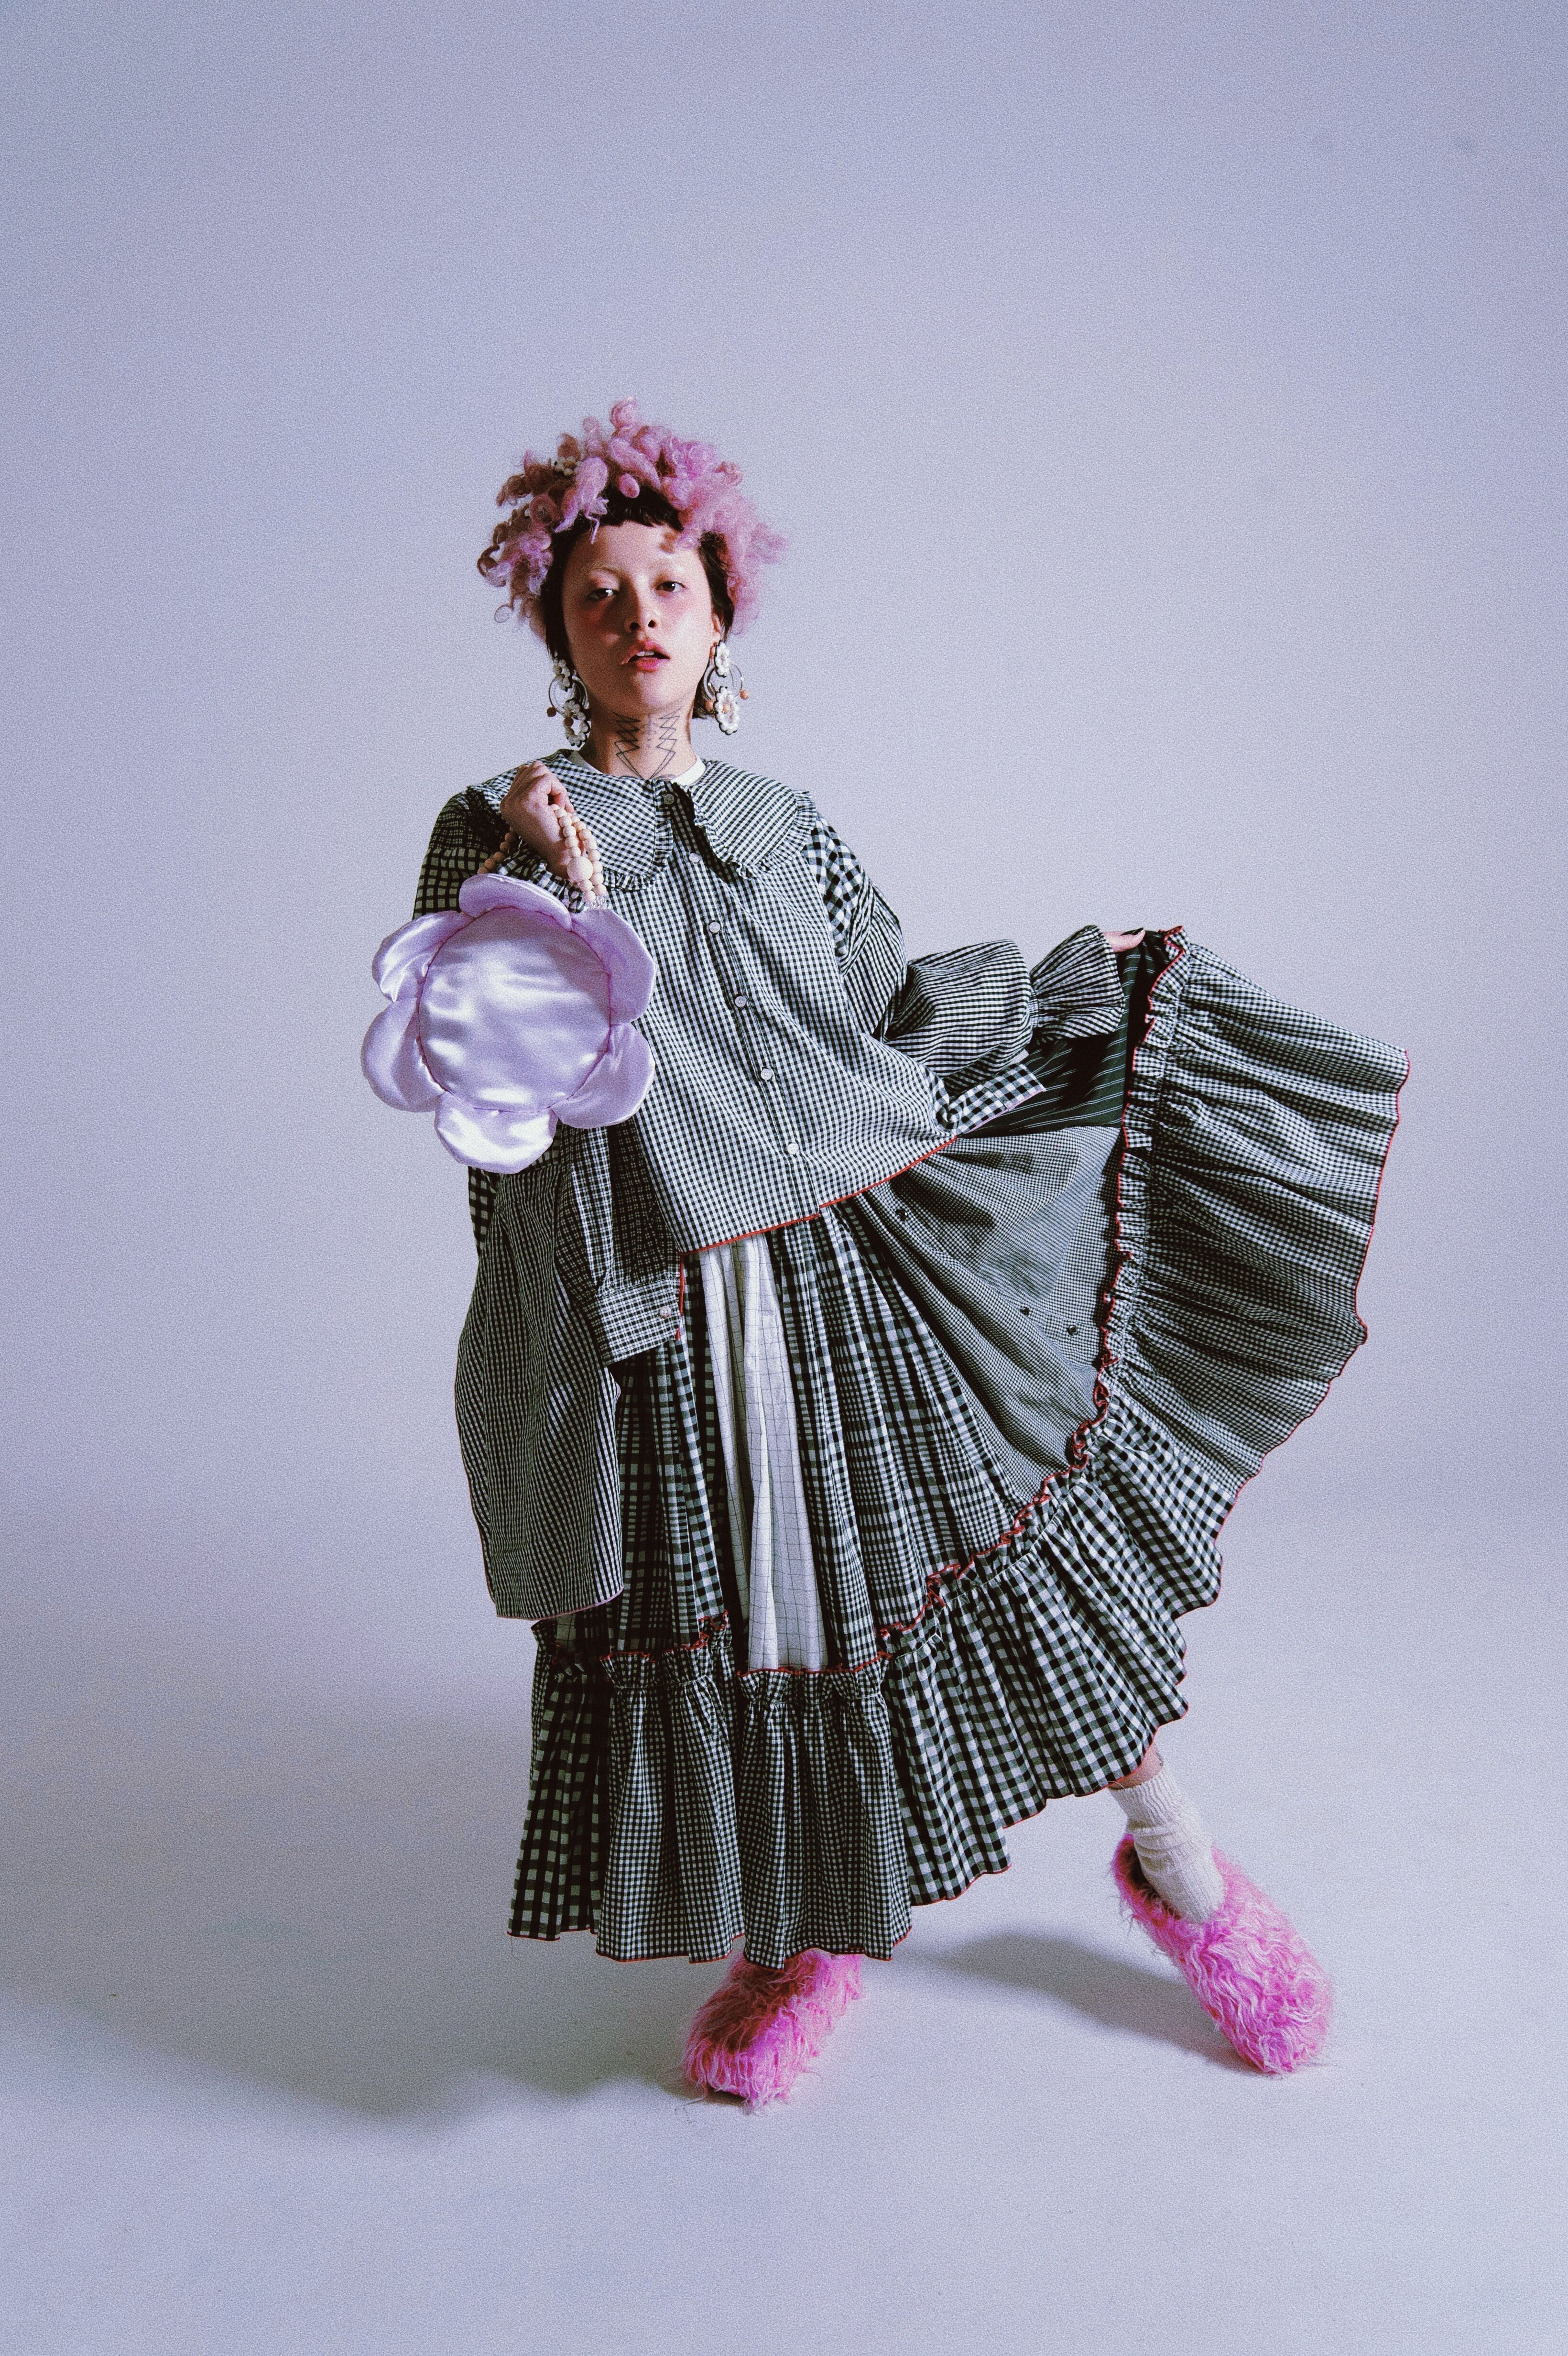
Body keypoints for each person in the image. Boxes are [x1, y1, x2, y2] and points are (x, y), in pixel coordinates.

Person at [393, 400, 1405, 2105]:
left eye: (669, 587)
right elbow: (478, 1073)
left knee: (1011, 1564)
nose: (638, 619)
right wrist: (537, 871)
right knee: (758, 1627)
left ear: (721, 615)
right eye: (598, 596)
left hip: (864, 1267)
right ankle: (807, 1934)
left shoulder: (786, 820)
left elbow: (888, 1012)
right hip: (674, 1302)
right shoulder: (491, 830)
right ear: (557, 634)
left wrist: (1071, 984)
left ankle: (1179, 1868)